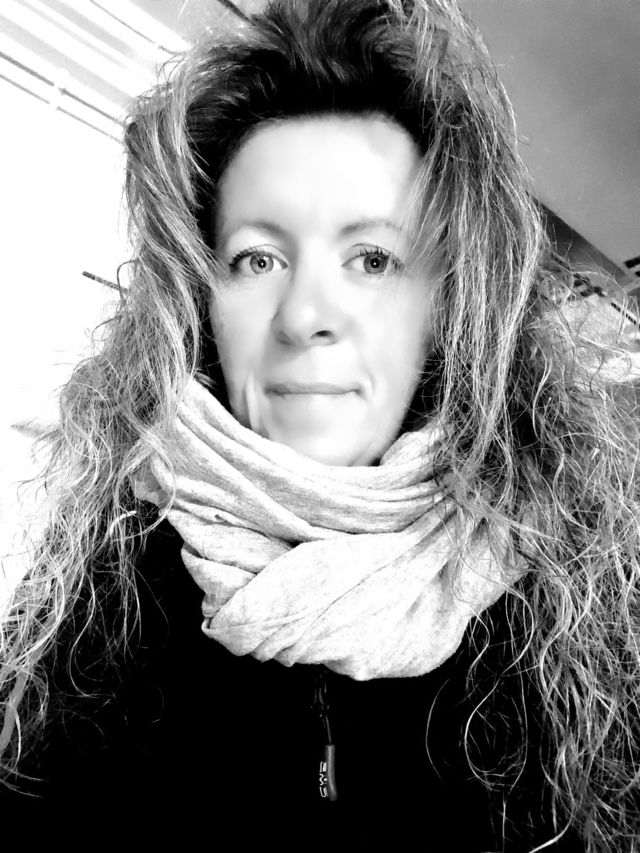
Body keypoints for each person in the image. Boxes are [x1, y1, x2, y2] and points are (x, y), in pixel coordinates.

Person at [1, 0, 639, 849]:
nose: (304, 315)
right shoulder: (94, 592)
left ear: (448, 307)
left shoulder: (569, 616)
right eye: (257, 258)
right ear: (202, 302)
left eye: (372, 259)